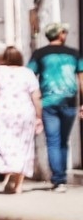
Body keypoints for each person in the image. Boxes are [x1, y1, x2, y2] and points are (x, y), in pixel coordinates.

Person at [27, 22, 83, 193]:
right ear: (59, 35)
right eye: (64, 31)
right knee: (63, 142)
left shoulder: (39, 54)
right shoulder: (74, 54)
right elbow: (82, 81)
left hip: (48, 103)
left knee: (53, 141)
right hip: (69, 102)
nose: (65, 34)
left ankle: (58, 180)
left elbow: (29, 77)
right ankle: (61, 178)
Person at [0, 46, 42, 194]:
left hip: (3, 112)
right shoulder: (27, 73)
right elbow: (36, 96)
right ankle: (19, 184)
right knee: (23, 146)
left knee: (4, 144)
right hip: (24, 112)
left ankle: (9, 172)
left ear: (3, 58)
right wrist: (39, 116)